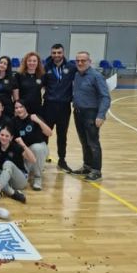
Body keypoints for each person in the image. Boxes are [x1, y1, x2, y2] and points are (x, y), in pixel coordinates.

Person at [72, 51, 111, 181]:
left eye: (83, 60)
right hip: (78, 113)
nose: (80, 63)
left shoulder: (96, 76)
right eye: (78, 60)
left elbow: (105, 97)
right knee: (84, 141)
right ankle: (87, 166)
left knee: (93, 143)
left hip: (91, 114)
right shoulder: (77, 75)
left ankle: (96, 171)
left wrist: (101, 115)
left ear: (89, 62)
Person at [43, 43, 76, 172]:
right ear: (51, 54)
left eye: (59, 52)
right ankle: (42, 159)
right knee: (44, 134)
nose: (56, 55)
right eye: (54, 53)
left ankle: (62, 160)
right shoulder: (45, 67)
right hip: (49, 106)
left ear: (63, 53)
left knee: (62, 135)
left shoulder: (71, 67)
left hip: (64, 107)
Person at [0, 124, 35, 204]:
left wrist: (23, 145)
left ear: (11, 137)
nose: (4, 137)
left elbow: (33, 160)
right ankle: (12, 193)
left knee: (8, 163)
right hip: (5, 180)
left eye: (7, 136)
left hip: (20, 180)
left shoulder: (16, 147)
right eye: (2, 135)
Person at [12, 99, 53, 191]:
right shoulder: (14, 121)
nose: (19, 109)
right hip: (25, 151)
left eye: (21, 107)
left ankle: (38, 177)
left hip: (40, 149)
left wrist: (38, 121)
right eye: (16, 108)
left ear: (26, 108)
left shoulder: (34, 117)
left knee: (36, 148)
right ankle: (25, 174)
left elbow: (49, 133)